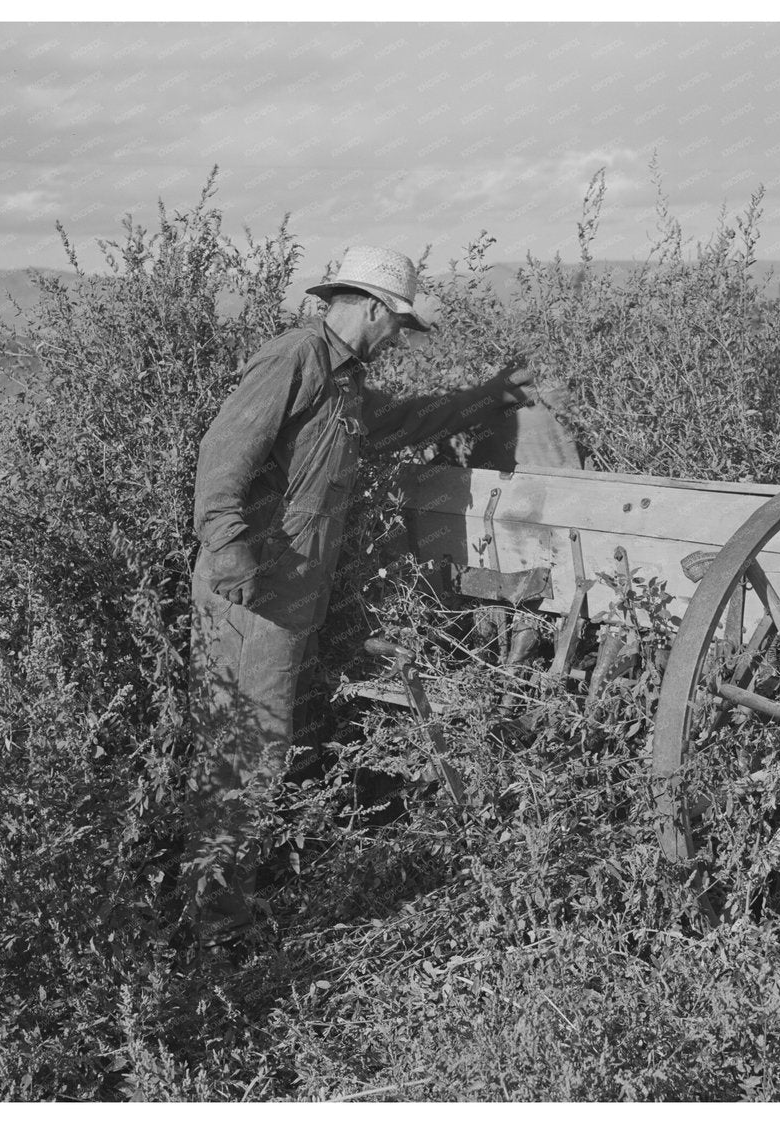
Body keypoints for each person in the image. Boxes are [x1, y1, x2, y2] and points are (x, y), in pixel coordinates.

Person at [186, 245, 536, 946]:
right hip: (253, 592)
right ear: (374, 309)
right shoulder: (297, 358)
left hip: (287, 594)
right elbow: (223, 457)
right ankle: (215, 924)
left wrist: (483, 399)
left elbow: (397, 425)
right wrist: (228, 551)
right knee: (247, 748)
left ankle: (220, 897)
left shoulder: (344, 384)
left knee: (251, 743)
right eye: (397, 328)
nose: (396, 342)